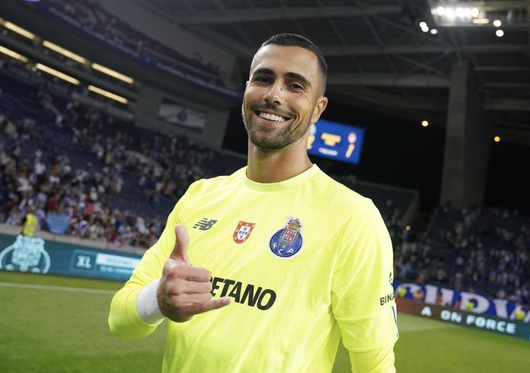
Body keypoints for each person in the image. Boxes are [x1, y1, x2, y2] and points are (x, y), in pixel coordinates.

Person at [108, 33, 398, 372]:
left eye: (295, 86)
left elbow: (374, 361)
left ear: (318, 108)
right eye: (263, 79)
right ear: (246, 89)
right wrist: (156, 299)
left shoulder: (353, 217)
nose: (274, 95)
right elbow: (120, 320)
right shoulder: (200, 196)